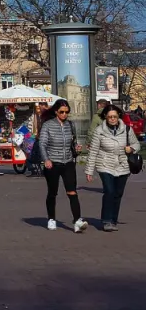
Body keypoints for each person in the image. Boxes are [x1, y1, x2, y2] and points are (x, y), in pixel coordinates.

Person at [85, 103, 139, 231]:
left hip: (123, 165)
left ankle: (113, 219)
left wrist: (131, 148)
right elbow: (93, 151)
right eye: (110, 117)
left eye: (115, 116)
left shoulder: (126, 129)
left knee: (118, 193)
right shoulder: (99, 131)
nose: (113, 119)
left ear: (118, 116)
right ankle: (106, 220)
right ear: (105, 117)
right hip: (105, 164)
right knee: (109, 191)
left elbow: (137, 144)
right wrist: (89, 170)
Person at [38, 99, 85, 232]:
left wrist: (77, 148)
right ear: (56, 112)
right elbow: (42, 144)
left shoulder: (70, 125)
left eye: (67, 112)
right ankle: (51, 219)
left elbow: (73, 142)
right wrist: (46, 159)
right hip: (53, 163)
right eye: (62, 112)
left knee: (72, 191)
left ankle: (77, 221)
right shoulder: (48, 125)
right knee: (53, 192)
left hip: (68, 162)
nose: (64, 114)